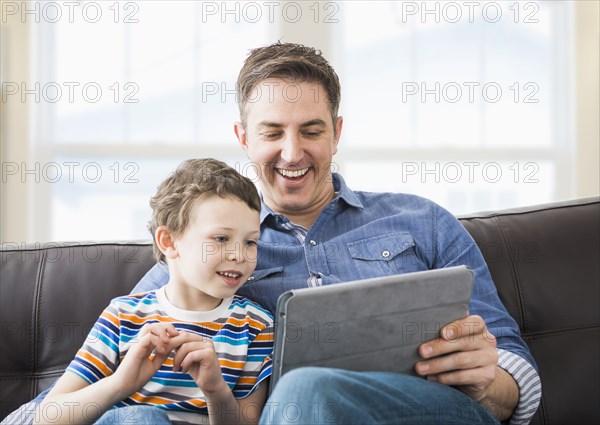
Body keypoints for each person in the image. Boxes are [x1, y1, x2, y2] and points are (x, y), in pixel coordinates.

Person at [5, 42, 541, 425]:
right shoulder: (201, 253)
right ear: (242, 136)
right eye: (271, 133)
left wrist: (491, 381)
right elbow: (87, 385)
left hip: (422, 409)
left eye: (311, 130)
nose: (292, 153)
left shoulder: (422, 221)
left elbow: (515, 365)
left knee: (306, 387)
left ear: (337, 132)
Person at [33, 158, 273, 425]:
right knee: (143, 417)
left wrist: (216, 391)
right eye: (220, 239)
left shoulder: (256, 325)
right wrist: (120, 384)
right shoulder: (123, 316)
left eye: (250, 242)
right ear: (169, 241)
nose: (239, 254)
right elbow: (47, 417)